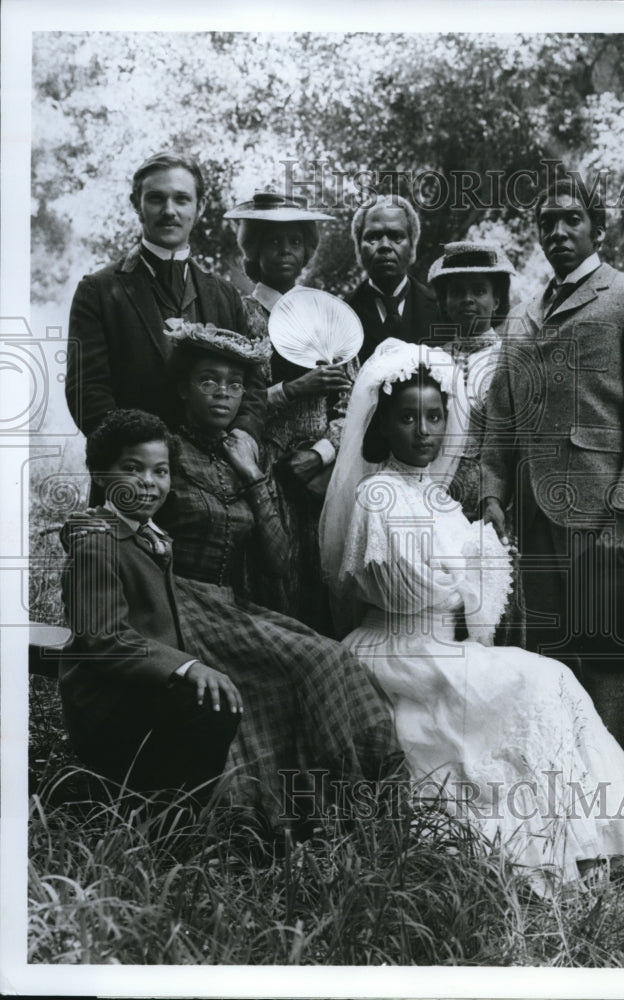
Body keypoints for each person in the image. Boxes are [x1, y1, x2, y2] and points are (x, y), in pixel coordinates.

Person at [319, 339, 624, 896]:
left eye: (434, 417)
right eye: (407, 418)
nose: (423, 431)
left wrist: (483, 560)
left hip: (441, 646)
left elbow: (469, 603)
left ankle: (586, 844)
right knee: (535, 681)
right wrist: (471, 568)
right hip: (398, 648)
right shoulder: (379, 495)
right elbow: (408, 593)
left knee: (552, 679)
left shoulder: (440, 500)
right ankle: (550, 851)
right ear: (382, 425)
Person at [68, 324, 403, 837]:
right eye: (208, 381)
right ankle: (253, 819)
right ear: (183, 388)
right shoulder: (162, 452)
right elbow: (117, 513)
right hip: (174, 605)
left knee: (329, 659)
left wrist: (251, 474)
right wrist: (83, 527)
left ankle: (349, 808)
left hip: (230, 604)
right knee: (296, 670)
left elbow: (278, 560)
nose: (222, 394)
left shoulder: (245, 451)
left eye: (234, 384)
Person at [480, 176, 624, 779]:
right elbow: (500, 419)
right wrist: (492, 495)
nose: (558, 232)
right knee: (545, 662)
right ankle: (562, 800)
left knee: (608, 657)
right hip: (529, 519)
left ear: (599, 228)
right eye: (547, 223)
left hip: (598, 515)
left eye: (572, 219)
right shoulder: (522, 317)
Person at [60, 409, 242, 800]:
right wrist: (187, 666)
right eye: (131, 468)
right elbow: (105, 639)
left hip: (145, 686)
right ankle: (160, 816)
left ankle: (172, 806)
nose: (148, 481)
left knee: (219, 697)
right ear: (100, 475)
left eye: (160, 471)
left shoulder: (152, 535)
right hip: (107, 705)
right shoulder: (96, 543)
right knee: (211, 707)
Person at [65, 152, 265, 451]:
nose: (169, 210)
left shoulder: (225, 295)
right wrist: (139, 457)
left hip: (219, 467)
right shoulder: (98, 291)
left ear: (199, 207)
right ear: (137, 204)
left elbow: (253, 385)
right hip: (135, 467)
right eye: (156, 198)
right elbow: (87, 392)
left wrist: (242, 439)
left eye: (181, 199)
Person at [224, 190, 353, 631]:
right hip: (261, 468)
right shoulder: (239, 315)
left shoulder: (329, 315)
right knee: (271, 582)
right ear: (253, 249)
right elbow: (230, 399)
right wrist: (293, 389)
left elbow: (351, 405)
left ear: (307, 250)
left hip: (321, 478)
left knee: (320, 580)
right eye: (273, 241)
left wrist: (321, 453)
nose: (285, 251)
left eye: (295, 241)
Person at [427, 241, 514, 522]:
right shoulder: (431, 360)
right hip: (435, 493)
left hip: (493, 500)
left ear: (496, 300)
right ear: (444, 302)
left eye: (478, 290)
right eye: (456, 292)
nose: (467, 299)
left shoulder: (511, 360)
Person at [346, 194, 439, 363]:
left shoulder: (441, 310)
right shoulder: (342, 315)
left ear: (412, 246)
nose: (384, 246)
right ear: (358, 249)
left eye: (396, 236)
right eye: (373, 237)